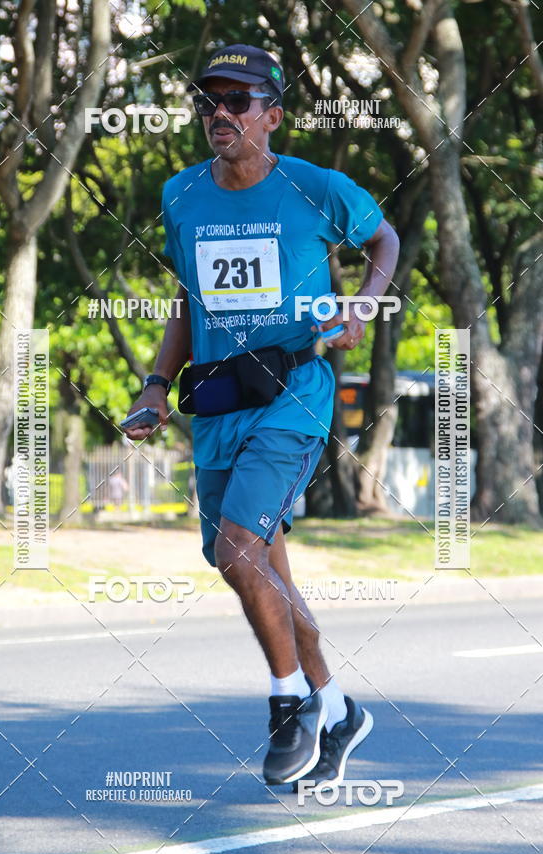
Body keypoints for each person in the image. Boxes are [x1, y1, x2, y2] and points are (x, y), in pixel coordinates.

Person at [124, 44, 400, 789]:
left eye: (238, 101)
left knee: (242, 547)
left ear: (272, 115)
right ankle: (337, 708)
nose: (220, 113)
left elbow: (383, 239)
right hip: (218, 404)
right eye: (209, 100)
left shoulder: (316, 188)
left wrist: (364, 304)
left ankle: (289, 705)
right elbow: (188, 300)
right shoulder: (180, 195)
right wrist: (156, 384)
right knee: (247, 564)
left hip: (294, 397)